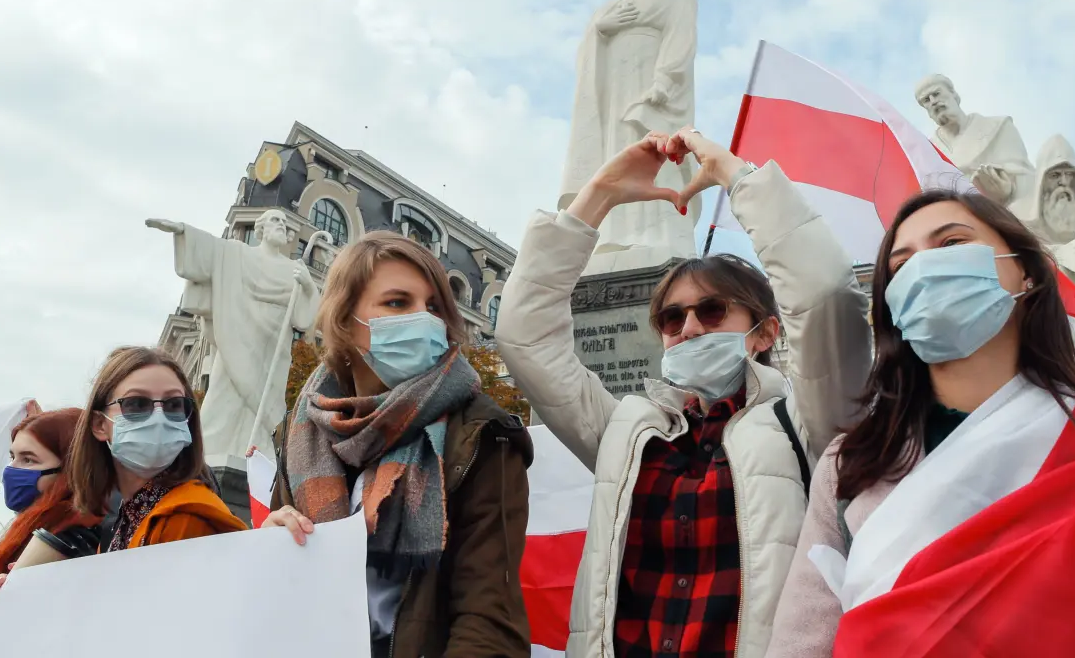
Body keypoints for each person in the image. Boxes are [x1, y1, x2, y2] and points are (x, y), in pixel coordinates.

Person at [767, 189, 1075, 656]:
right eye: (901, 265)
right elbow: (802, 640)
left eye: (952, 244)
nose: (923, 268)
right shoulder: (852, 463)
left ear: (1027, 273)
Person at [496, 128, 871, 657]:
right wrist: (598, 196)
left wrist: (735, 177)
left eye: (712, 311)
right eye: (672, 318)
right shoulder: (625, 431)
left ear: (765, 333)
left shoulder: (808, 424)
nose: (690, 328)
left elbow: (828, 296)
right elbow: (525, 337)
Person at [261, 231, 532, 658]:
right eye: (397, 302)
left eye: (434, 307)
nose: (423, 318)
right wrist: (270, 546)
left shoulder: (481, 434)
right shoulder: (302, 431)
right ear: (345, 320)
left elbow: (488, 622)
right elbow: (275, 599)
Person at [67, 347, 247, 551]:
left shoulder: (186, 518)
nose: (159, 418)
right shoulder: (126, 518)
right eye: (137, 404)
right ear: (100, 424)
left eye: (174, 405)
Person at [0, 409, 100, 592]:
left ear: (72, 469)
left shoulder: (74, 536)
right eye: (12, 457)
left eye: (28, 460)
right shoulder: (32, 525)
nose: (10, 470)